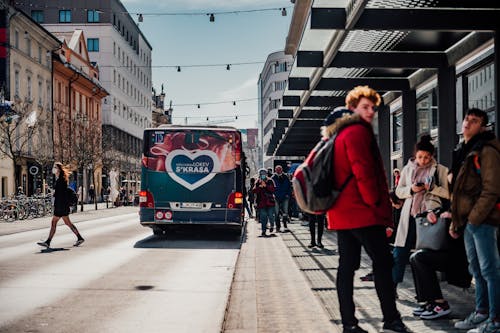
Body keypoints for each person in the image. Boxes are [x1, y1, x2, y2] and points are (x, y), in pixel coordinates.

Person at [323, 86, 410, 333]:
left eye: (373, 107)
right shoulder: (358, 132)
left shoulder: (337, 134)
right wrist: (378, 206)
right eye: (365, 107)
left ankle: (349, 324)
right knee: (383, 263)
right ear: (352, 108)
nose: (371, 111)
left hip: (342, 214)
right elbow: (364, 172)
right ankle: (391, 319)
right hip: (362, 212)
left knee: (347, 266)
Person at [449, 108, 500, 333]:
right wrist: (457, 221)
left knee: (490, 270)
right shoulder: (464, 150)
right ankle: (481, 313)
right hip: (470, 222)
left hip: (483, 220)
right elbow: (459, 193)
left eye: (474, 121)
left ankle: (496, 319)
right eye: (466, 119)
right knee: (477, 270)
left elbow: (492, 189)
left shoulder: (486, 150)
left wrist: (474, 219)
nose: (468, 124)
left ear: (483, 126)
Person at [393, 135, 450, 296]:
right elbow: (399, 191)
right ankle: (393, 286)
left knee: (422, 257)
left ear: (432, 156)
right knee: (400, 252)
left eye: (427, 157)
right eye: (420, 157)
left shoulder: (440, 170)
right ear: (415, 155)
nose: (423, 160)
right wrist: (411, 189)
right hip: (410, 216)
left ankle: (423, 293)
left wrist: (431, 188)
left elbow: (449, 194)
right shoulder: (407, 168)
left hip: (429, 217)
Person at [409, 211, 471, 320]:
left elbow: (470, 210)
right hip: (444, 244)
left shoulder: (463, 196)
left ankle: (440, 304)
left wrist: (454, 215)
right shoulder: (447, 196)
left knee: (420, 258)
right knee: (415, 257)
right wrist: (430, 212)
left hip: (460, 249)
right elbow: (436, 205)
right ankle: (430, 301)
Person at [37, 162, 85, 248]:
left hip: (60, 205)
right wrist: (50, 190)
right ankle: (79, 238)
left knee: (54, 222)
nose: (53, 169)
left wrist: (53, 193)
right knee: (67, 223)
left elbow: (60, 193)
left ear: (58, 169)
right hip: (62, 205)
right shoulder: (61, 179)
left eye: (55, 167)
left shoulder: (61, 180)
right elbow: (60, 192)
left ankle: (48, 242)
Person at [252, 168, 276, 237]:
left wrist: (266, 186)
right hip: (261, 203)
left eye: (264, 174)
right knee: (263, 217)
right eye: (261, 174)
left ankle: (271, 225)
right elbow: (254, 191)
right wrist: (259, 187)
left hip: (270, 202)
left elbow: (273, 189)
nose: (263, 175)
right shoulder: (257, 182)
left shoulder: (270, 180)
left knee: (271, 215)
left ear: (266, 174)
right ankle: (263, 231)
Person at [272, 165, 292, 232]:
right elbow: (271, 188)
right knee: (276, 212)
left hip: (285, 197)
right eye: (277, 170)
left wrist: (288, 194)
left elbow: (289, 187)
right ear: (275, 170)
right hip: (276, 197)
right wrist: (273, 195)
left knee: (285, 212)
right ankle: (278, 227)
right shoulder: (273, 178)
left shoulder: (286, 177)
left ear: (282, 170)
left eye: (279, 169)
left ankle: (285, 225)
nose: (278, 171)